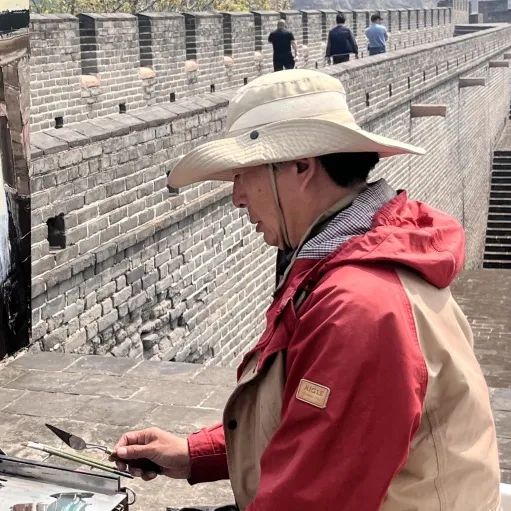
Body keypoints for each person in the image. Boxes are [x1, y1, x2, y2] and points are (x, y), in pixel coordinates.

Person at [113, 69, 501, 511]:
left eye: (244, 173)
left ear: (300, 166)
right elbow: (316, 422)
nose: (237, 196)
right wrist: (194, 455)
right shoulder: (350, 259)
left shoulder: (360, 306)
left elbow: (313, 497)